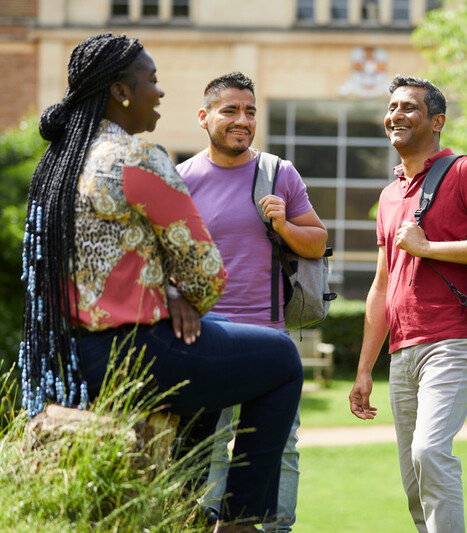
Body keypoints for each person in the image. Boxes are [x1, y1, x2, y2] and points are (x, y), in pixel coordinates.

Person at [18, 33, 303, 533]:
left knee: (208, 362)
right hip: (134, 353)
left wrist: (170, 292)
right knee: (280, 359)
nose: (161, 92)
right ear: (121, 93)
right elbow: (207, 274)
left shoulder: (55, 167)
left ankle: (184, 510)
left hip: (66, 359)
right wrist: (183, 295)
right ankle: (238, 524)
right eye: (151, 80)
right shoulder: (138, 158)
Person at [348, 75, 467, 533]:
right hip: (402, 351)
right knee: (412, 481)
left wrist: (429, 248)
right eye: (392, 107)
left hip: (455, 340)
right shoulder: (389, 197)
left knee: (430, 452)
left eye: (409, 107)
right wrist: (365, 367)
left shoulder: (465, 171)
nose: (396, 115)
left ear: (437, 121)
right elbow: (382, 286)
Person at [177, 71, 327, 532]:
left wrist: (284, 226)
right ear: (204, 117)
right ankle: (204, 524)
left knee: (280, 446)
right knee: (207, 443)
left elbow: (318, 242)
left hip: (269, 336)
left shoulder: (279, 174)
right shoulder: (181, 179)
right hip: (207, 337)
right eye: (230, 111)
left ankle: (271, 529)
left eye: (250, 112)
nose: (242, 120)